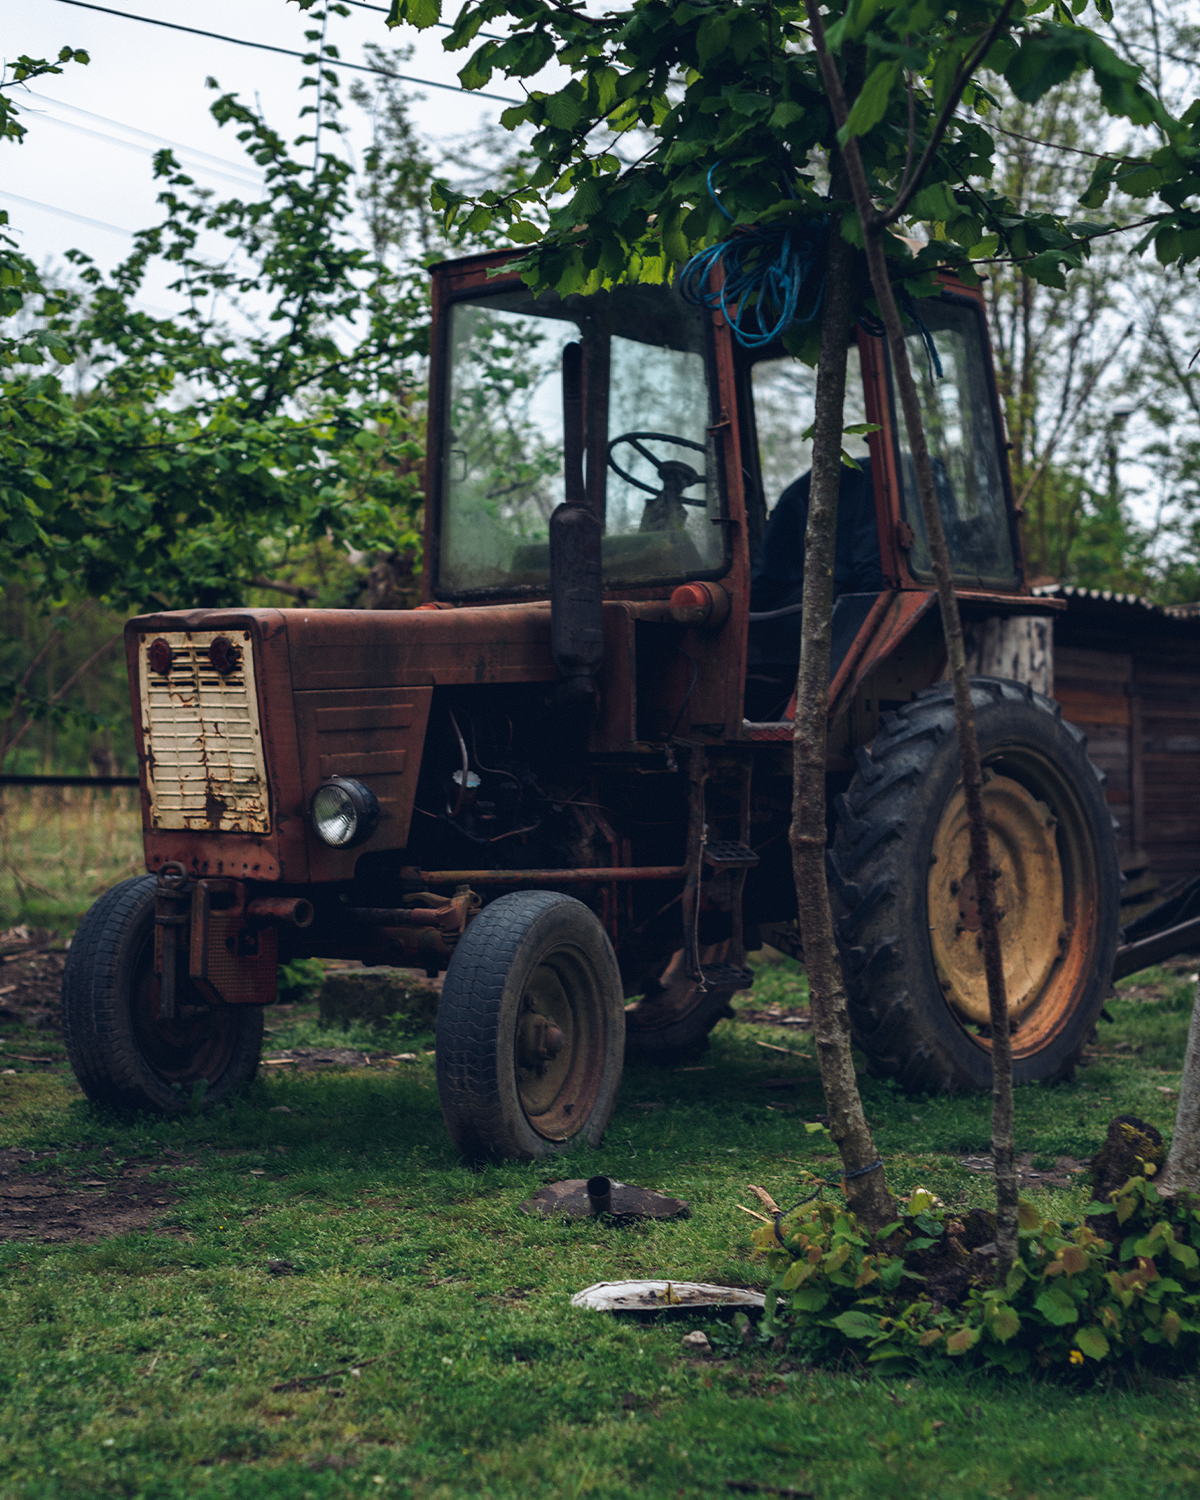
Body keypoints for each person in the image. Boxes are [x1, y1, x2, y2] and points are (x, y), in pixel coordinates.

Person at [745, 458, 885, 715]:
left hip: (821, 612)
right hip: (822, 609)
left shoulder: (811, 487)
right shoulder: (874, 480)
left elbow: (766, 574)